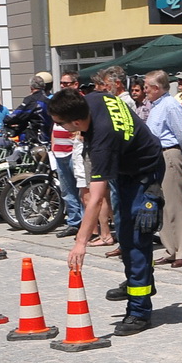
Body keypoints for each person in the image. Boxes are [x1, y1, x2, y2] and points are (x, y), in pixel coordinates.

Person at [53, 86, 165, 336]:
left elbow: (95, 199)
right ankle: (141, 281)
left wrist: (80, 243)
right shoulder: (94, 99)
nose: (60, 128)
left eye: (62, 124)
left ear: (77, 122)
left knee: (136, 239)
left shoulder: (102, 142)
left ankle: (139, 311)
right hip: (127, 169)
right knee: (125, 233)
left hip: (145, 172)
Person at [141, 70, 182, 268]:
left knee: (175, 203)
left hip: (169, 153)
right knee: (162, 203)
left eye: (147, 87)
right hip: (157, 155)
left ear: (157, 88)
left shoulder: (170, 105)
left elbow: (181, 133)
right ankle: (171, 249)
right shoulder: (156, 106)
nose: (144, 90)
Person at [48, 71, 87, 239]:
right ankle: (73, 222)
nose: (63, 86)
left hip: (74, 152)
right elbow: (55, 126)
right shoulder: (58, 102)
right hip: (59, 152)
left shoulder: (80, 102)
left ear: (76, 84)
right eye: (62, 83)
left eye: (67, 83)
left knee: (82, 190)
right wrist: (53, 145)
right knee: (67, 191)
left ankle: (86, 224)